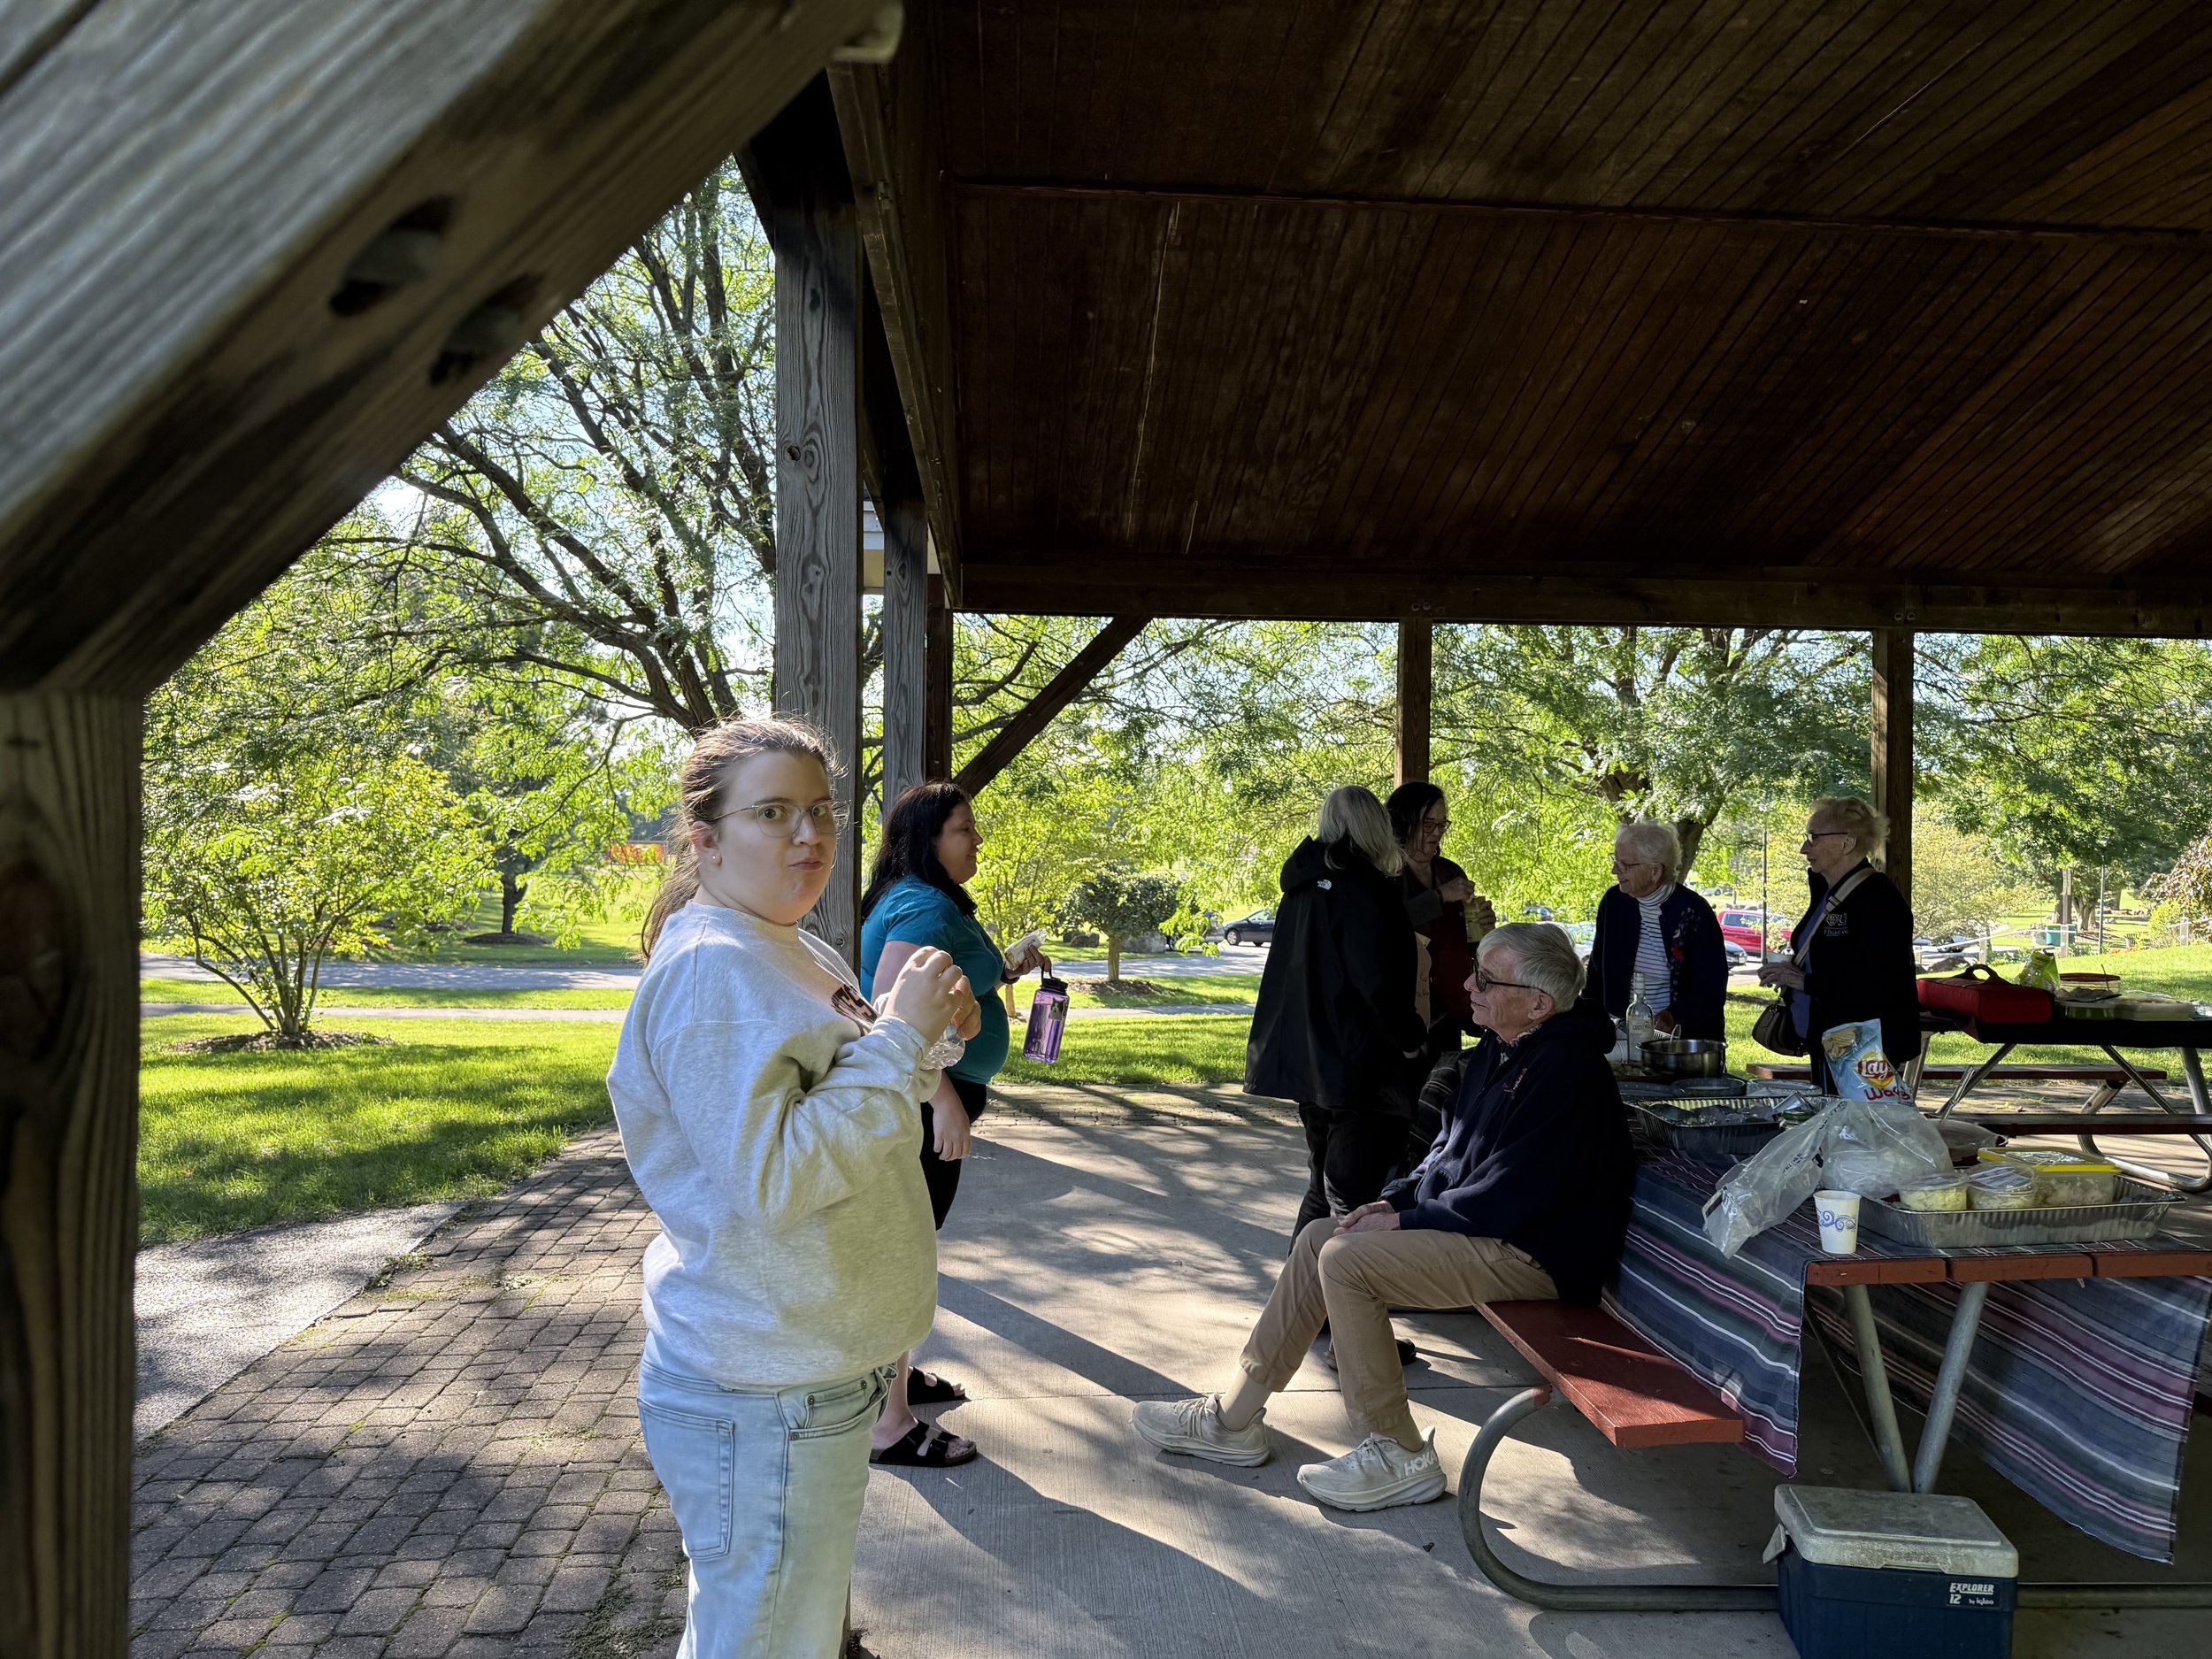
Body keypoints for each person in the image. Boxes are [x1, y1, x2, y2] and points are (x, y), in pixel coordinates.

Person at [606, 718, 979, 1659]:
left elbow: (846, 1090)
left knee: (778, 1629)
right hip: (764, 1385)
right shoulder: (711, 972)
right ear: (704, 837)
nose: (808, 834)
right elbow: (775, 1179)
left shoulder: (790, 944)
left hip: (809, 1367)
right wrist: (900, 1045)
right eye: (772, 813)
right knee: (767, 1641)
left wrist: (928, 1034)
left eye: (819, 811)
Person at [1134, 924, 1635, 1511]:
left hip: (1537, 1253)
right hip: (1494, 1230)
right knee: (1325, 1235)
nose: (1468, 983)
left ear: (1537, 1003)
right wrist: (1392, 1202)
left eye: (1487, 977)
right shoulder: (1499, 1053)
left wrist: (1409, 1220)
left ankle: (1397, 1452)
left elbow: (1512, 1194)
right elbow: (1442, 1156)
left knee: (1349, 1261)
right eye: (1476, 968)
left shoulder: (1568, 1069)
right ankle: (1233, 1419)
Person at [857, 780, 1052, 1465]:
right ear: (927, 838)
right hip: (922, 1101)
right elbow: (889, 1008)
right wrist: (940, 1096)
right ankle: (889, 1424)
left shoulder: (932, 901)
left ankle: (895, 1377)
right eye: (964, 829)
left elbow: (946, 989)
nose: (976, 840)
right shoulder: (917, 904)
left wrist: (1003, 969)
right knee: (902, 1253)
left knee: (912, 1244)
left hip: (936, 1093)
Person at [1246, 785, 1427, 1240]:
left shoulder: (1303, 885)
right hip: (1355, 1065)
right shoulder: (1363, 887)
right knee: (1350, 1195)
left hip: (1310, 1061)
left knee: (1322, 1186)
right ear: (1375, 827)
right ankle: (1332, 1303)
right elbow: (1376, 980)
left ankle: (1303, 1305)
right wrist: (1409, 1037)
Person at [1757, 795, 1919, 1089]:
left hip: (1866, 1045)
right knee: (1837, 1125)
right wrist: (1790, 974)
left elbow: (1881, 984)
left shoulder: (1878, 901)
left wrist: (1803, 981)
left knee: (1865, 1127)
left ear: (1848, 842)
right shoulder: (1829, 891)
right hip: (1829, 1040)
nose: (1804, 848)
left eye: (1814, 838)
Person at [1587, 818, 1728, 1041]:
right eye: (1615, 861)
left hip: (1679, 1039)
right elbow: (1596, 972)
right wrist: (1590, 1022)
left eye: (1625, 865)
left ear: (1655, 872)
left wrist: (1674, 1016)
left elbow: (1711, 986)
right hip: (1621, 1034)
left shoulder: (1694, 912)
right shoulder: (1614, 903)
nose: (1615, 870)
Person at [1386, 781, 1496, 1053]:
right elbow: (1386, 927)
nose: (1437, 833)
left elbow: (1468, 943)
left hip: (1449, 1012)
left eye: (1442, 824)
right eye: (1428, 824)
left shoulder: (1450, 872)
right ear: (1404, 822)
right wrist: (1437, 898)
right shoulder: (1386, 875)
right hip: (1401, 1014)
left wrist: (1485, 927)